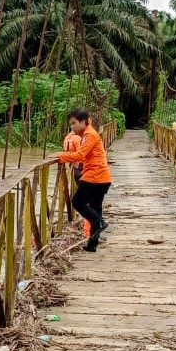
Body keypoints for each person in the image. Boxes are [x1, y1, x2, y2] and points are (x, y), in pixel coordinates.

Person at [57, 108, 111, 252]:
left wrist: (60, 156)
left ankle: (99, 223)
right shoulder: (88, 134)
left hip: (95, 176)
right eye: (71, 124)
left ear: (83, 121)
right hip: (102, 177)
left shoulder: (89, 134)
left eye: (74, 123)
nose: (72, 127)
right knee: (95, 208)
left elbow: (80, 155)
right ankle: (92, 244)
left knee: (77, 202)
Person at [63, 125, 92, 239]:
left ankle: (88, 230)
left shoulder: (68, 138)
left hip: (76, 170)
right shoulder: (78, 139)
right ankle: (89, 232)